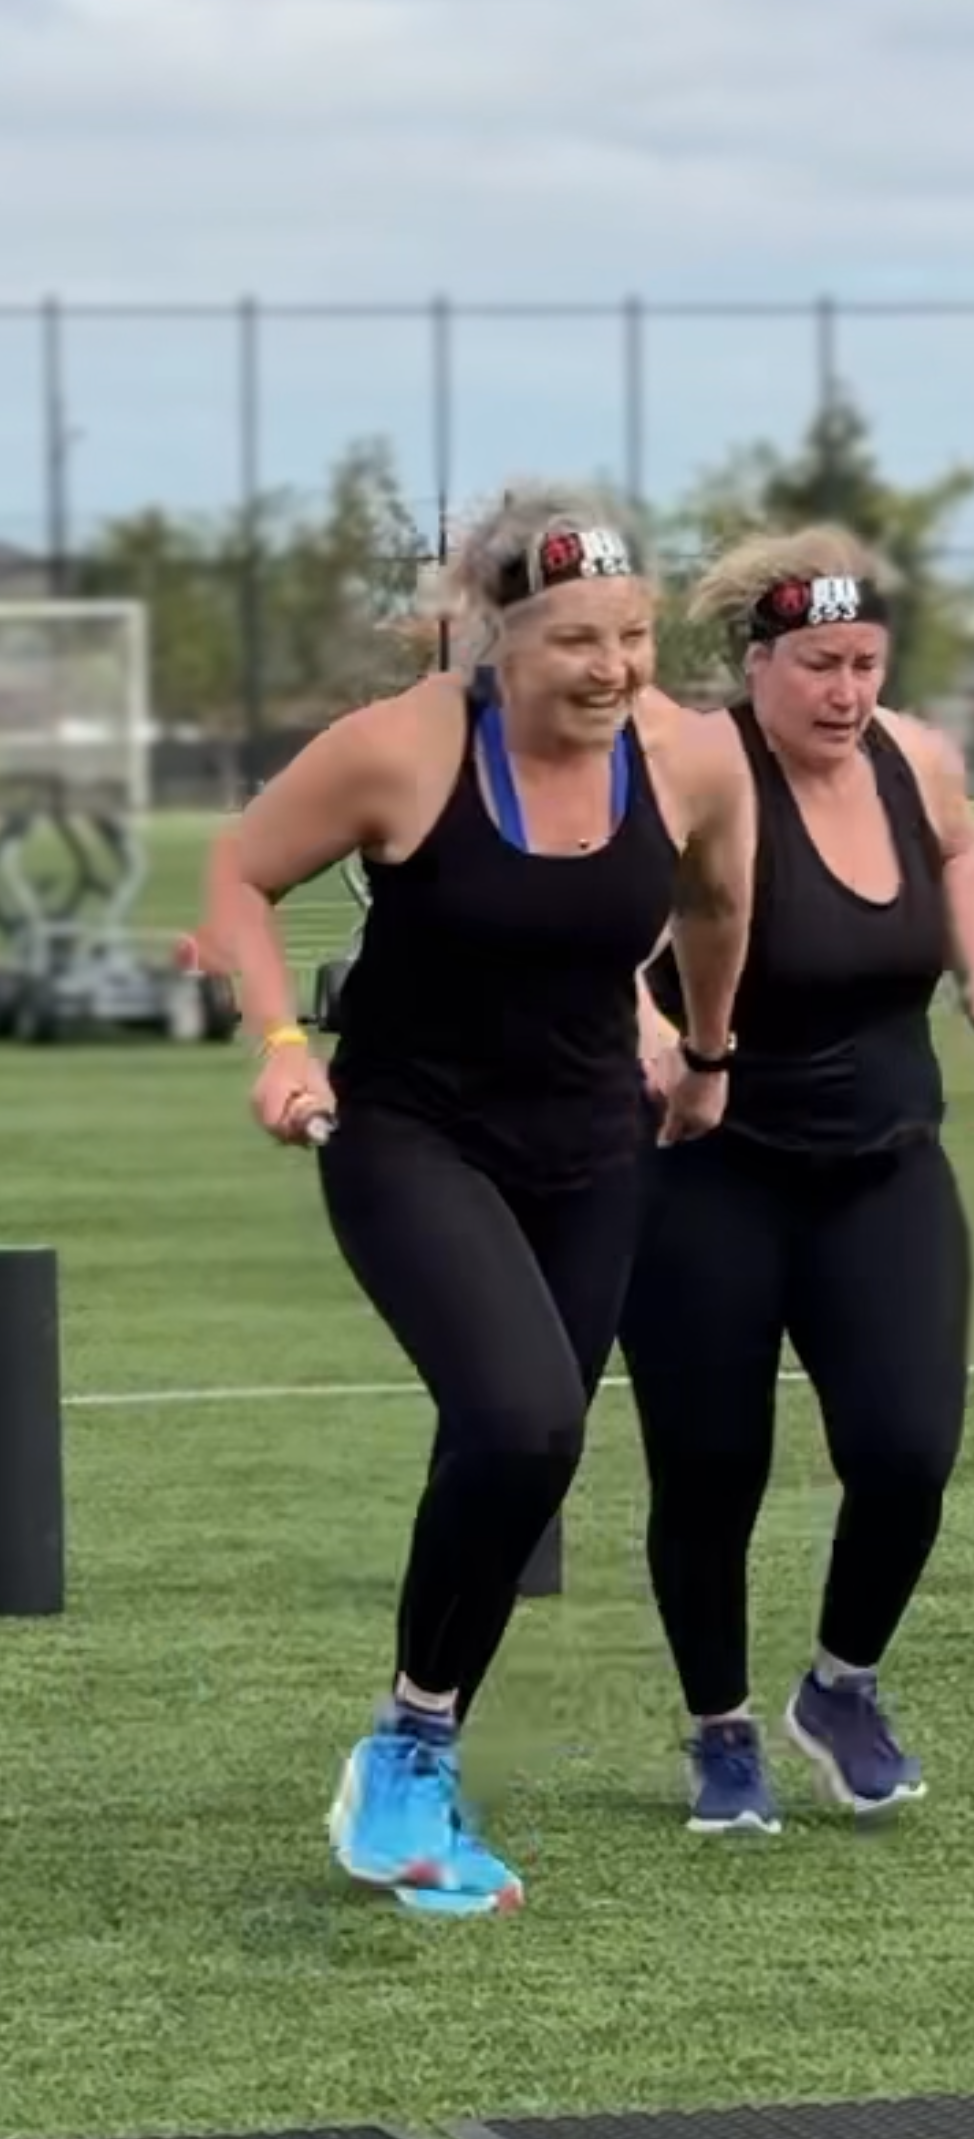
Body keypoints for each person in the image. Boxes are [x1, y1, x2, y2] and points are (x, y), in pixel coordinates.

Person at [201, 485, 752, 1919]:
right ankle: (403, 1765)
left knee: (525, 1452)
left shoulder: (687, 758)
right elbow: (241, 875)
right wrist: (277, 1047)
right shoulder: (397, 750)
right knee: (521, 1414)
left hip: (588, 1139)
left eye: (632, 636)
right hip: (407, 1127)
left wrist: (700, 1051)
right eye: (575, 640)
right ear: (492, 636)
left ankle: (420, 1742)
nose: (612, 668)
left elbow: (713, 904)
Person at [620, 524, 974, 1836]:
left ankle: (841, 1687)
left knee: (907, 1451)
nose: (844, 692)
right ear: (757, 664)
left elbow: (959, 850)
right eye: (816, 666)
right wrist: (665, 1052)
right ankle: (719, 1730)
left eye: (863, 663)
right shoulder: (689, 768)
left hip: (883, 1169)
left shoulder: (915, 760)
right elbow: (600, 943)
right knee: (709, 1466)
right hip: (705, 1171)